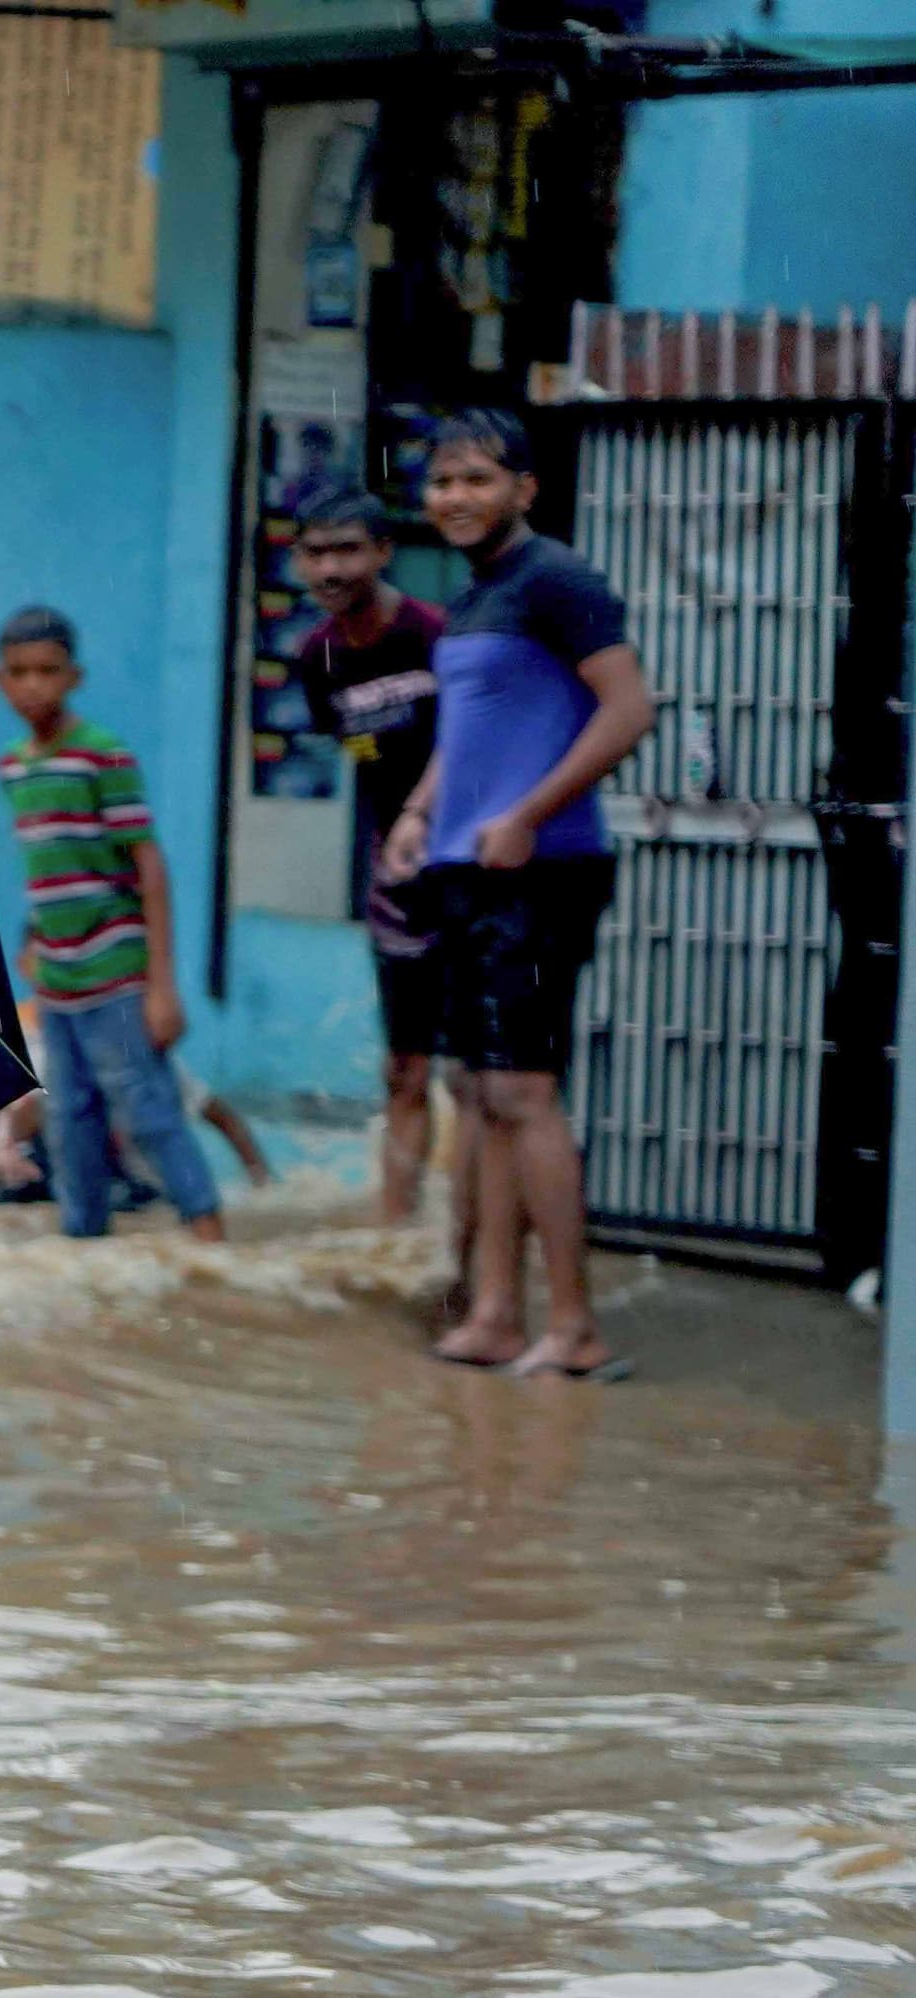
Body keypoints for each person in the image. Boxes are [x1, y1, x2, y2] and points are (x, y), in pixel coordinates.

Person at [385, 407, 656, 1382]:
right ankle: (496, 1313)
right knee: (478, 1091)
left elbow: (629, 711)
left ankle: (573, 1325)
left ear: (523, 489)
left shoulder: (558, 579)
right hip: (464, 868)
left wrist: (530, 814)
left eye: (475, 479)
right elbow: (467, 734)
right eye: (441, 481)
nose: (453, 497)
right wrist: (418, 815)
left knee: (522, 1090)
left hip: (542, 867)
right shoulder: (469, 597)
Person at [0, 605, 240, 1242]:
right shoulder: (14, 768)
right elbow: (48, 869)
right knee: (70, 1119)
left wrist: (163, 986)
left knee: (147, 1110)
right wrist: (37, 943)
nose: (33, 685)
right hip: (57, 981)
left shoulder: (102, 757)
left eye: (47, 671)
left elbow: (147, 864)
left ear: (75, 677)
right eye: (19, 673)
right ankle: (82, 1241)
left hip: (117, 973)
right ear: (0, 681)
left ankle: (208, 1231)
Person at [283, 483, 452, 1228]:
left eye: (348, 549)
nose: (331, 569)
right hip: (396, 877)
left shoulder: (433, 635)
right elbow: (355, 747)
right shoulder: (315, 656)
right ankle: (397, 1235)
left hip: (469, 865)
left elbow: (470, 742)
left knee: (489, 1076)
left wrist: (425, 808)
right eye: (316, 553)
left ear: (384, 552)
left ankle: (479, 1245)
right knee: (404, 1068)